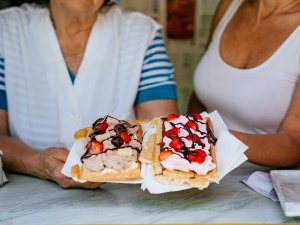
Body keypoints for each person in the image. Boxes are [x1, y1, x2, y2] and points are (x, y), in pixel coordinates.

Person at [0, 0, 179, 188]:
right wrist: (37, 163)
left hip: (121, 198)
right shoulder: (6, 30)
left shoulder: (141, 33)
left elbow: (160, 134)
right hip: (25, 199)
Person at [189, 0, 300, 167]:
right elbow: (203, 90)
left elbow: (295, 141)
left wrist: (214, 138)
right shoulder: (230, 5)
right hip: (201, 163)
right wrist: (189, 137)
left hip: (258, 181)